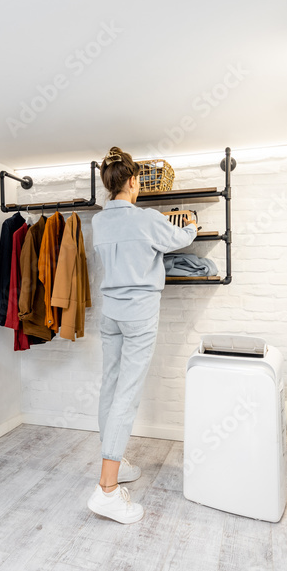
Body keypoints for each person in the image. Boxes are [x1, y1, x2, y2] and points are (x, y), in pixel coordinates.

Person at [87, 147, 198, 524]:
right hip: (138, 316)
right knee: (127, 397)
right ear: (134, 181)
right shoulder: (147, 218)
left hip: (110, 314)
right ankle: (106, 490)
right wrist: (191, 224)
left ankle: (118, 464)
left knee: (110, 387)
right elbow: (178, 239)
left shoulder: (99, 223)